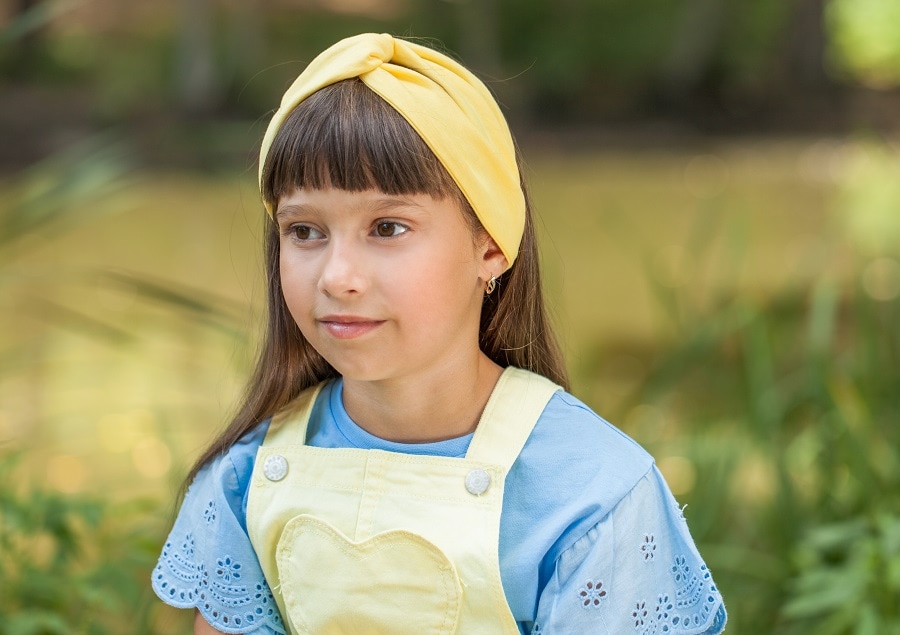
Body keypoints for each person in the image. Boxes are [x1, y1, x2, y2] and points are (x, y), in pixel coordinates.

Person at [151, 33, 727, 635]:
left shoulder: (592, 496)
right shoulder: (246, 479)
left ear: (491, 247)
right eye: (304, 231)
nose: (337, 276)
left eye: (388, 227)